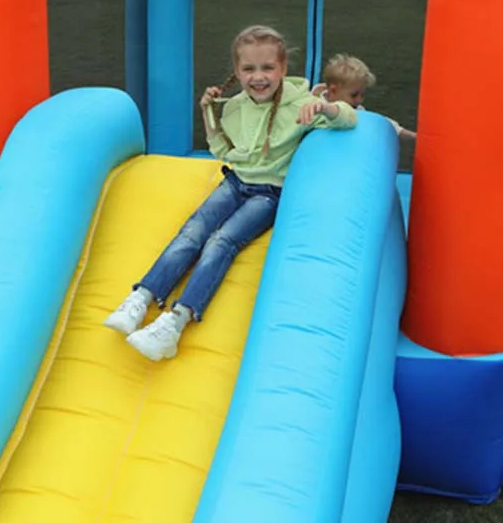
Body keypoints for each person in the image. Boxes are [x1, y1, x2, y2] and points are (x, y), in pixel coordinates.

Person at [105, 25, 357, 361]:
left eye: (268, 68)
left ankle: (176, 321)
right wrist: (208, 115)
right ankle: (143, 296)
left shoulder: (300, 102)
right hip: (236, 181)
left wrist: (326, 108)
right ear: (237, 72)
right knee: (192, 231)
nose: (259, 77)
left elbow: (350, 119)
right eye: (249, 69)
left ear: (283, 68)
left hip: (270, 193)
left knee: (221, 242)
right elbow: (223, 150)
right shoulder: (235, 106)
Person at [313, 54, 416, 142]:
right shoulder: (313, 106)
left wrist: (410, 135)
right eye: (354, 95)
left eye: (362, 95)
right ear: (333, 90)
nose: (359, 100)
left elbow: (381, 123)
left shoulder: (356, 110)